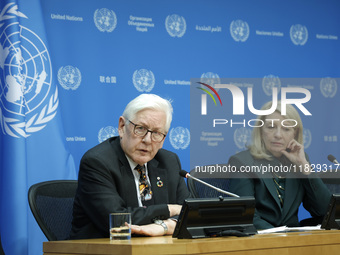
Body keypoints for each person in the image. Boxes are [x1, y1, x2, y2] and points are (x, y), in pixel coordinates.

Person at [70, 94, 190, 239]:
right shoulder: (97, 162)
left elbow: (189, 215)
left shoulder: (169, 161)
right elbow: (117, 220)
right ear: (122, 126)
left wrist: (165, 227)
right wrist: (169, 209)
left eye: (157, 133)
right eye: (140, 128)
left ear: (164, 138)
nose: (147, 140)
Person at [228, 101, 331, 230]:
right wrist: (281, 237)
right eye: (271, 127)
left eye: (286, 128)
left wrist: (305, 168)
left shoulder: (299, 161)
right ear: (260, 131)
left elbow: (325, 212)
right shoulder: (242, 162)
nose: (278, 134)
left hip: (293, 243)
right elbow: (245, 216)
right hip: (258, 242)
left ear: (295, 133)